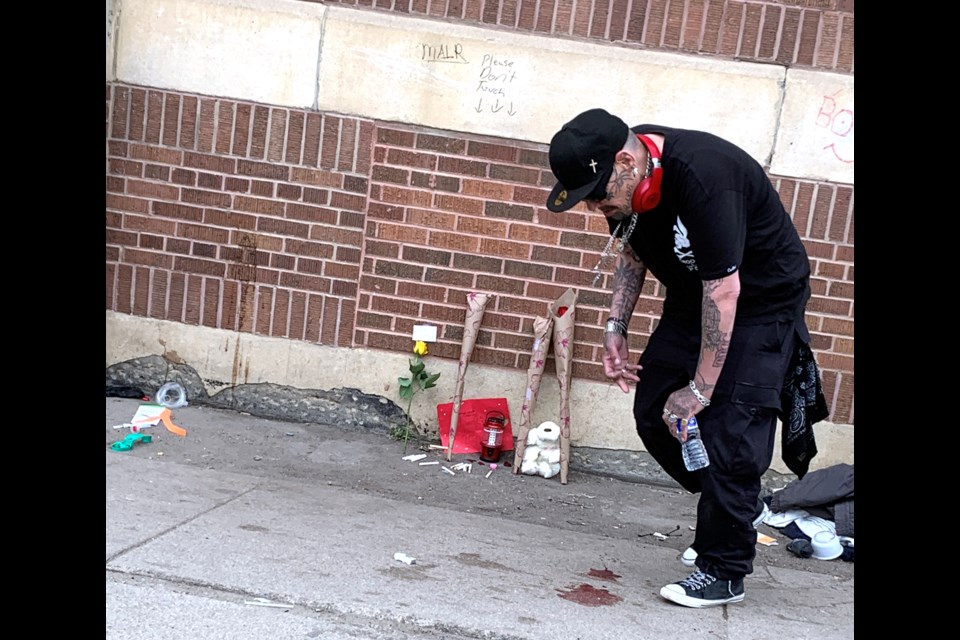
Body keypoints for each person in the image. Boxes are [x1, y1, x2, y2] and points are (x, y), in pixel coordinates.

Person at [545, 108, 814, 608]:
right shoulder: (628, 192)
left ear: (627, 161)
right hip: (695, 297)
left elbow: (726, 291)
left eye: (599, 195)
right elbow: (632, 254)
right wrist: (615, 327)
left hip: (761, 303)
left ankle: (724, 569)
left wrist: (701, 389)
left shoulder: (707, 176)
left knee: (729, 427)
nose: (596, 208)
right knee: (654, 410)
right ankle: (732, 508)